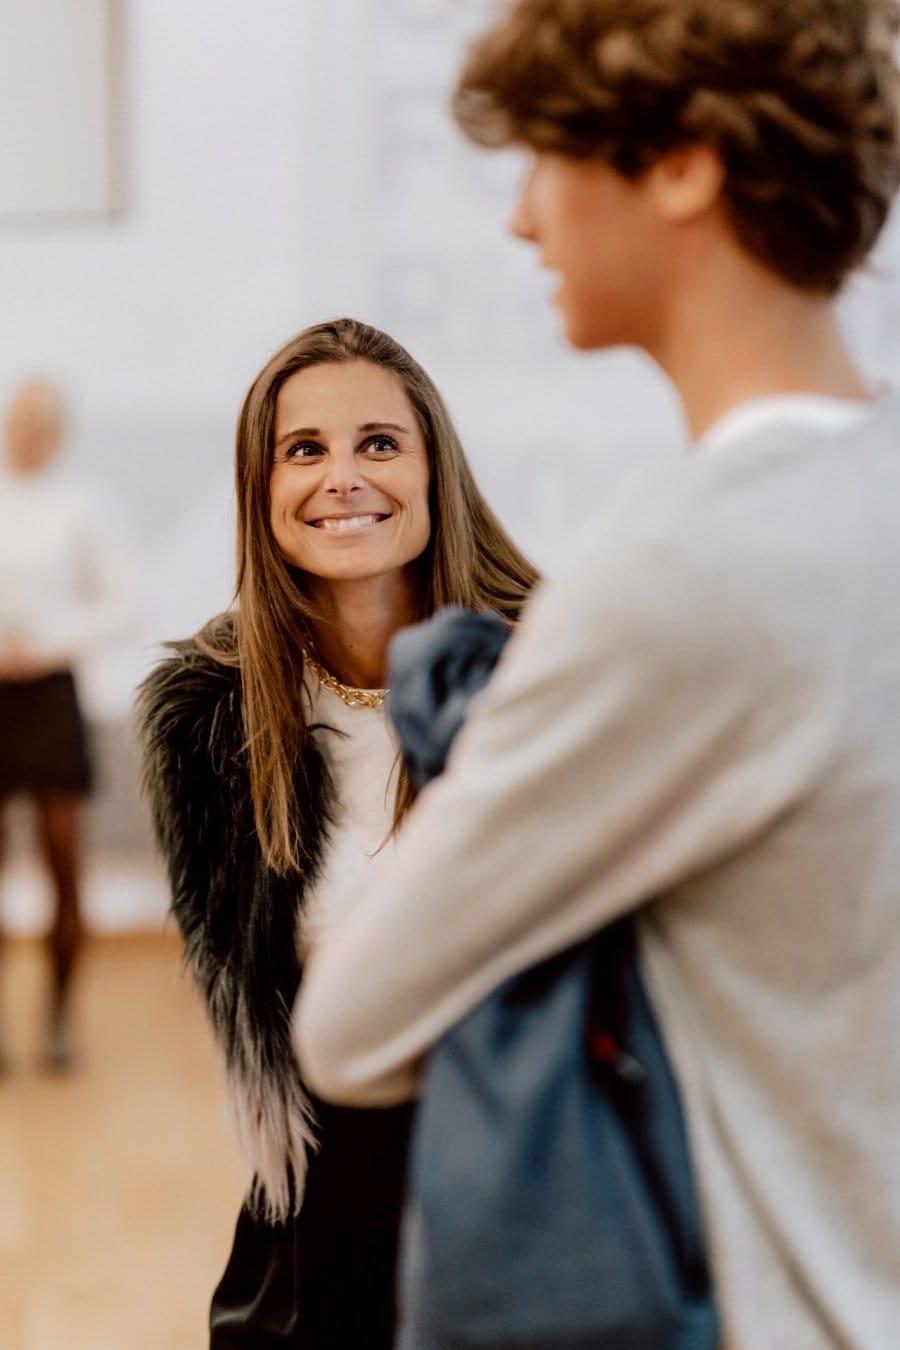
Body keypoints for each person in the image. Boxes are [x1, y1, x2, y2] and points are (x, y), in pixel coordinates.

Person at [293, 3, 900, 1346]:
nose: (522, 222)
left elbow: (353, 1023)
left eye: (548, 160)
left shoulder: (687, 563)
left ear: (683, 160)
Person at [136, 317, 538, 1348]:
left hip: (531, 1176)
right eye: (303, 450)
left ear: (432, 467)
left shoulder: (545, 674)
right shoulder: (211, 718)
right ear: (260, 490)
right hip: (325, 1190)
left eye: (379, 443)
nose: (342, 478)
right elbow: (255, 1005)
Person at [0, 378, 137, 1070]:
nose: (22, 435)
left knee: (61, 862)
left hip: (50, 694)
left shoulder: (83, 507)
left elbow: (126, 604)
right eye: (15, 421)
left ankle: (57, 1017)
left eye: (36, 425)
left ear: (57, 434)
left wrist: (45, 642)